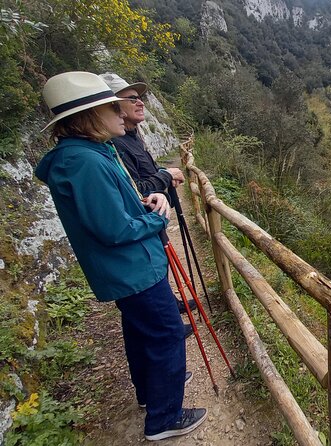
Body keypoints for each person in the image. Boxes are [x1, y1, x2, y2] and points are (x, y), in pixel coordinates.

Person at [35, 71, 206, 441]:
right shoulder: (85, 162)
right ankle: (164, 418)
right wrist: (154, 215)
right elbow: (113, 229)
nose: (120, 111)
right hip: (133, 269)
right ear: (90, 116)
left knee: (141, 330)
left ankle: (153, 392)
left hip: (130, 269)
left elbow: (113, 208)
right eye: (112, 105)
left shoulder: (90, 154)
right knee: (166, 334)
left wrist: (146, 199)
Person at [98, 72, 196, 320]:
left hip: (150, 219)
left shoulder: (131, 137)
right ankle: (166, 317)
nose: (140, 102)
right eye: (131, 98)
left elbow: (145, 175)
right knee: (155, 266)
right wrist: (165, 176)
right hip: (140, 224)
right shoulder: (117, 144)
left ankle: (170, 305)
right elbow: (134, 188)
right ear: (111, 104)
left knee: (160, 261)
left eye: (139, 97)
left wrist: (164, 176)